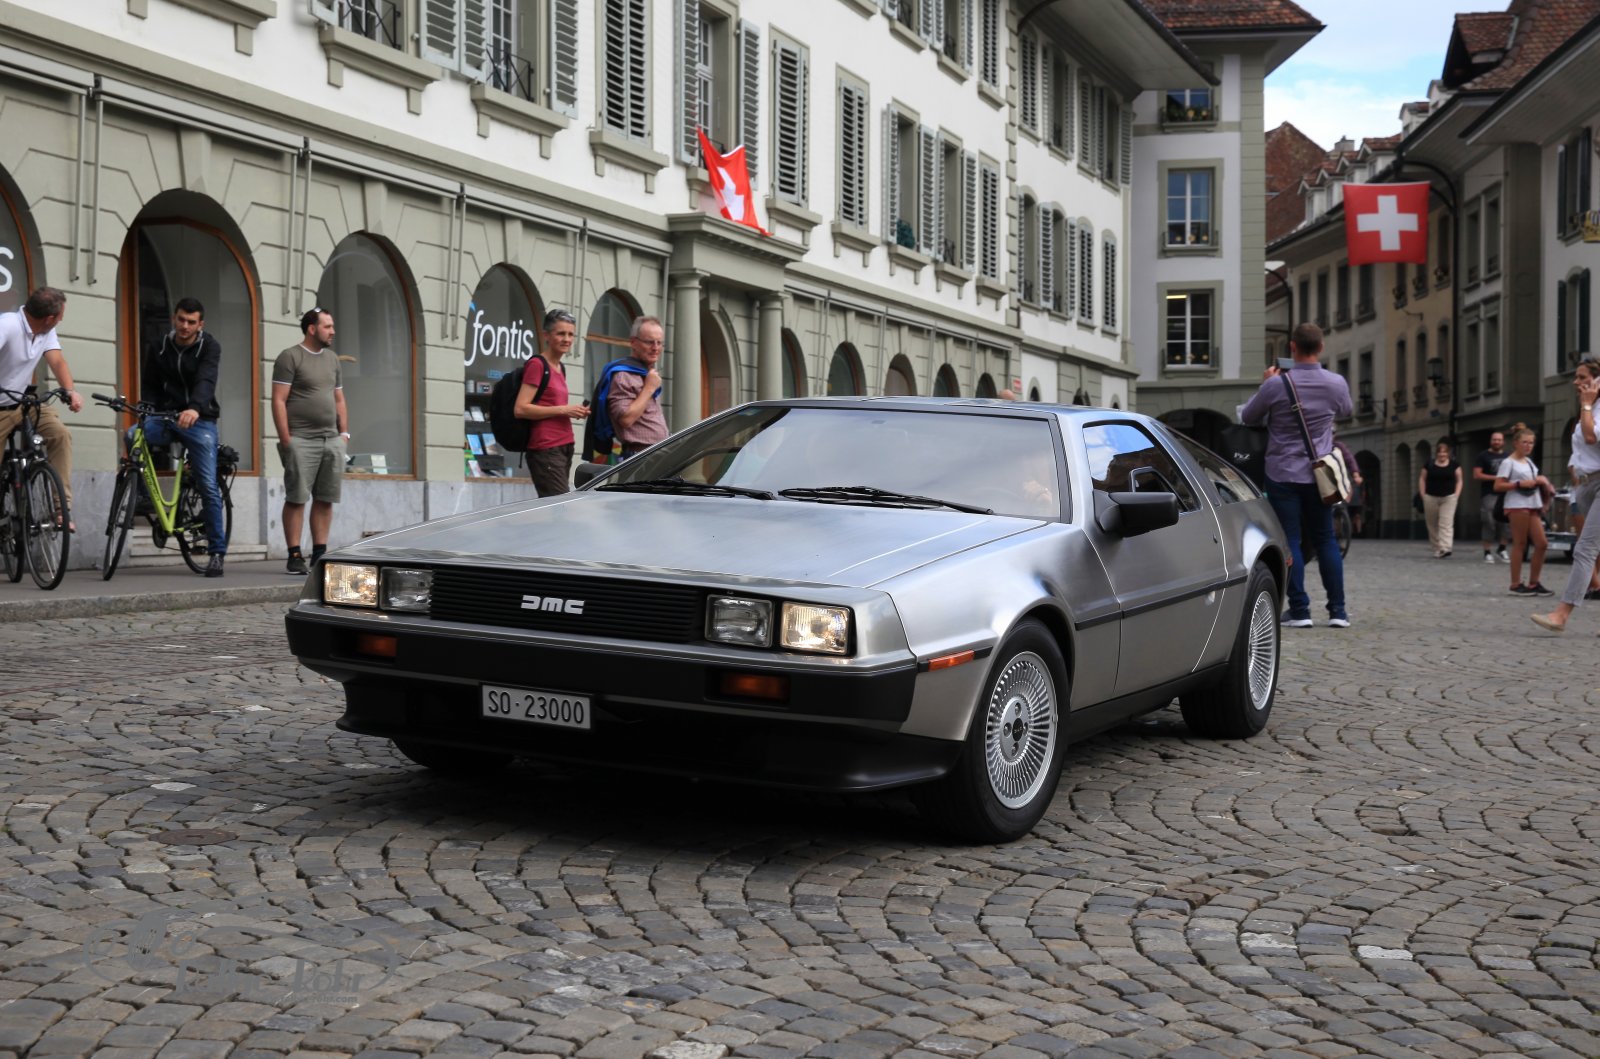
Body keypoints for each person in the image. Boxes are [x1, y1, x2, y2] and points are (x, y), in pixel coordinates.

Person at [1239, 322, 1353, 628]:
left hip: (1283, 472)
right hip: (1320, 475)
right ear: (1321, 348)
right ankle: (1338, 611)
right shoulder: (1336, 383)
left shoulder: (1276, 385)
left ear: (1292, 347)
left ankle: (1300, 610)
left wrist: (1266, 384)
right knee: (1326, 538)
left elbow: (1248, 416)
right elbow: (1346, 410)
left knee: (1290, 538)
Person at [136, 297, 227, 576]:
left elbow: (206, 380)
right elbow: (150, 384)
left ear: (200, 324)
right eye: (181, 320)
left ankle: (217, 553)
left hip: (200, 419)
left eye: (191, 322)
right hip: (167, 416)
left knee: (208, 485)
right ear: (174, 319)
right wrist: (148, 408)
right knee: (132, 435)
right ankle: (143, 496)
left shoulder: (209, 346)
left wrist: (195, 408)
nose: (185, 326)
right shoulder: (160, 346)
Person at [0, 287, 83, 527]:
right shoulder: (7, 326)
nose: (60, 320)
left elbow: (57, 361)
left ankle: (61, 509)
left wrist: (70, 391)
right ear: (49, 318)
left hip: (23, 403)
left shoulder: (46, 331)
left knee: (60, 435)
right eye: (60, 317)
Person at [273, 308, 347, 575]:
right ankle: (294, 555)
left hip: (331, 439)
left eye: (332, 326)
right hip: (300, 439)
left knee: (325, 498)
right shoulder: (290, 357)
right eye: (327, 326)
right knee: (296, 498)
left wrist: (344, 435)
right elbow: (278, 399)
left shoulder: (332, 359)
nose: (333, 331)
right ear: (312, 329)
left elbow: (339, 399)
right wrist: (286, 439)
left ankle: (319, 553)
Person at [1533, 360, 1600, 631]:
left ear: (1597, 381)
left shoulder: (1591, 408)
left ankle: (1561, 615)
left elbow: (1591, 437)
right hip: (1587, 487)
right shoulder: (1589, 408)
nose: (1576, 382)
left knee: (1584, 549)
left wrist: (1587, 404)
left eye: (1582, 377)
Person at [514, 308, 589, 496]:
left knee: (558, 504)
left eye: (571, 334)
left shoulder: (560, 367)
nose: (567, 339)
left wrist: (576, 411)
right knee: (559, 505)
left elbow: (553, 405)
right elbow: (521, 409)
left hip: (565, 445)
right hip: (545, 447)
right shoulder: (537, 365)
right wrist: (564, 410)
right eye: (561, 333)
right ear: (546, 335)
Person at [1495, 423, 1552, 596]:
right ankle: (1515, 583)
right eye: (1525, 442)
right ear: (1516, 443)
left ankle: (1534, 582)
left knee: (1542, 543)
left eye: (1531, 442)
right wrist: (1518, 484)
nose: (1528, 446)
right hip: (1517, 504)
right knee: (1520, 543)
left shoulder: (1529, 462)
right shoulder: (1508, 462)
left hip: (1533, 503)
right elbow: (1498, 485)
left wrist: (1541, 481)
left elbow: (1533, 480)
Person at [607, 315, 669, 458]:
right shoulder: (624, 375)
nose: (655, 348)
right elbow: (626, 419)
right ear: (633, 343)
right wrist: (649, 388)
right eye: (649, 342)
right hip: (639, 455)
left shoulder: (646, 373)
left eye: (659, 343)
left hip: (655, 454)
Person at [1418, 440, 1463, 559]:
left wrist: (1456, 495)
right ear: (1436, 453)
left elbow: (1459, 480)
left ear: (1448, 453)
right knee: (1432, 524)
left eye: (1444, 452)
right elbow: (1422, 479)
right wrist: (1423, 495)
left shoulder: (1454, 465)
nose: (1442, 455)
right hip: (1430, 497)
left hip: (1449, 498)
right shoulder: (1429, 464)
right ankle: (1437, 548)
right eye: (1440, 452)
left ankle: (1446, 548)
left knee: (1446, 523)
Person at [1472, 430, 1511, 563]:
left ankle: (1502, 549)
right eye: (1494, 439)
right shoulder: (1483, 456)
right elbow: (1477, 475)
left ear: (1503, 442)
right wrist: (1497, 478)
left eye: (1499, 440)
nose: (1497, 442)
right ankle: (1487, 552)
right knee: (1489, 521)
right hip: (1489, 493)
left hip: (1505, 493)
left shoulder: (1508, 457)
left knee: (1506, 522)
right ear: (1491, 441)